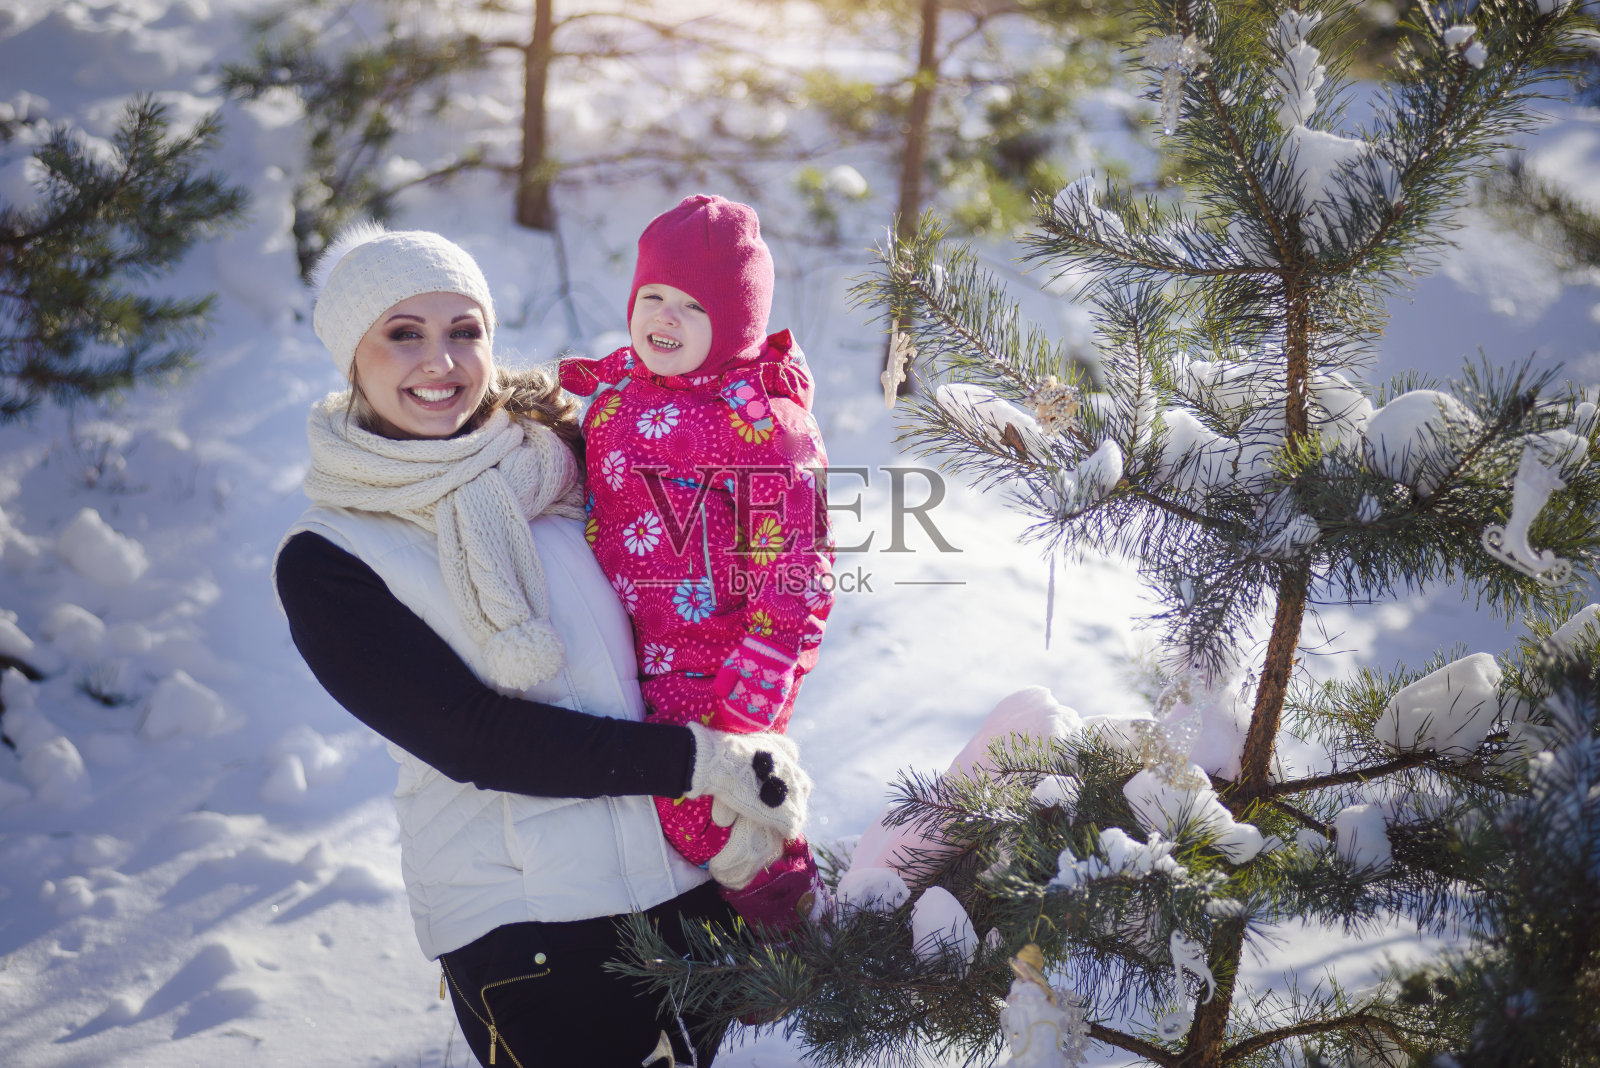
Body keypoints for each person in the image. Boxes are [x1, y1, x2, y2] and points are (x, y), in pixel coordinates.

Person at [273, 223, 812, 1067]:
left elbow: (688, 611)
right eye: (403, 334)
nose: (440, 362)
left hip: (676, 891)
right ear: (352, 356)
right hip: (532, 935)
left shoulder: (562, 463)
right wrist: (696, 761)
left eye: (464, 331)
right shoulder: (332, 555)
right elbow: (471, 738)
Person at [560, 195, 833, 932]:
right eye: (652, 297)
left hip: (713, 659)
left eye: (692, 305)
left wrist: (765, 665)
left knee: (704, 812)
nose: (664, 318)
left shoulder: (764, 426)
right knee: (645, 808)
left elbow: (797, 565)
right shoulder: (616, 397)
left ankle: (789, 920)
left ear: (737, 323)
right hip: (625, 647)